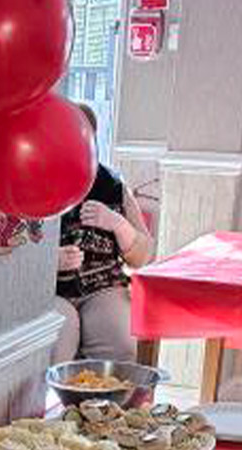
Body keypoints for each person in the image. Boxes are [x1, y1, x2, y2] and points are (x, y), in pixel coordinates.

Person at [50, 104, 155, 364]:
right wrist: (51, 261)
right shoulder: (38, 182)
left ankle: (107, 391)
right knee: (57, 340)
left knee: (119, 342)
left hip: (104, 288)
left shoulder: (114, 186)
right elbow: (18, 252)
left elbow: (143, 256)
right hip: (53, 292)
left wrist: (119, 225)